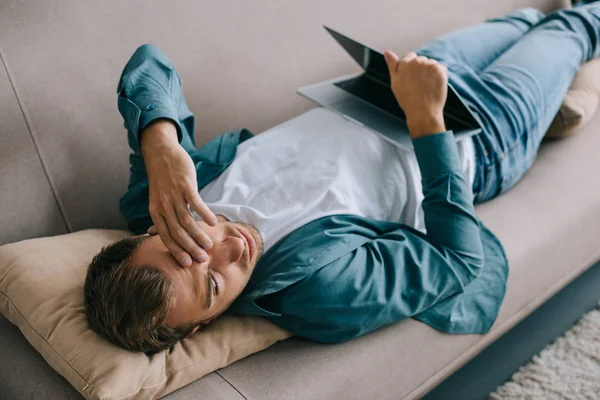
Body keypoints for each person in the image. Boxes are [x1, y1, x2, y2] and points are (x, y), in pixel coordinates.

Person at [84, 4, 600, 353]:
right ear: (203, 325)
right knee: (572, 30)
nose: (230, 248)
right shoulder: (319, 293)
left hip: (401, 81)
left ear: (153, 228)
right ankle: (567, 91)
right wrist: (427, 120)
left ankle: (573, 92)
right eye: (213, 284)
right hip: (480, 136)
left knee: (529, 18)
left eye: (189, 241)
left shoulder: (165, 192)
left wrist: (161, 144)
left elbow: (150, 63)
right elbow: (460, 262)